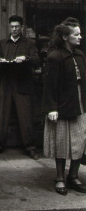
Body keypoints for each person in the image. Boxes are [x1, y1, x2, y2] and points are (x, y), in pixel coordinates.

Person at [43, 19, 86, 195]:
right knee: (60, 142)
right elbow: (50, 85)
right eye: (76, 34)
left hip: (80, 104)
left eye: (80, 33)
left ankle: (73, 176)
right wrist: (51, 108)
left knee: (79, 142)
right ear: (65, 37)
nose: (80, 37)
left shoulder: (80, 55)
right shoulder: (54, 57)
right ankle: (60, 178)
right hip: (61, 106)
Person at [0, 15, 40, 160]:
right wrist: (2, 62)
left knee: (25, 117)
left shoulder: (29, 44)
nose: (14, 29)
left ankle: (30, 148)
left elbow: (37, 61)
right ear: (9, 27)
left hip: (23, 83)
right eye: (12, 26)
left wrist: (26, 59)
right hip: (6, 82)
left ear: (22, 27)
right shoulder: (1, 44)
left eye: (17, 26)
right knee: (1, 116)